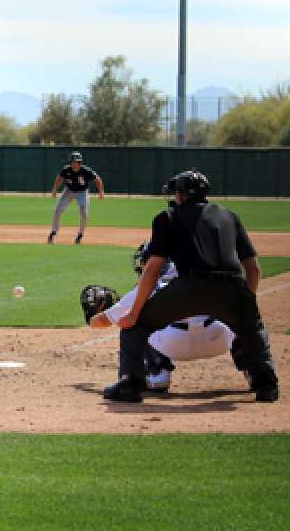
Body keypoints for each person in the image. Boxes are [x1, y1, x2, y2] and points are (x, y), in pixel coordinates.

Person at [105, 169, 279, 403]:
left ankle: (131, 383)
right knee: (252, 328)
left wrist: (134, 313)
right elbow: (253, 269)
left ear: (180, 195)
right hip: (232, 287)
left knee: (136, 326)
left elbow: (153, 268)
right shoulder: (230, 216)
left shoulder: (167, 217)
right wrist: (246, 303)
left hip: (190, 287)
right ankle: (266, 385)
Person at [88, 242, 242, 392]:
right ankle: (256, 373)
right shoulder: (203, 275)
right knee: (242, 316)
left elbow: (104, 321)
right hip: (218, 339)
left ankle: (158, 373)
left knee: (134, 320)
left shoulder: (148, 286)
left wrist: (90, 317)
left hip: (173, 344)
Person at [48, 151, 104, 244]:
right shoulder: (66, 170)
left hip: (82, 192)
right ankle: (54, 231)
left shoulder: (85, 171)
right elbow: (59, 179)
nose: (73, 164)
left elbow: (98, 179)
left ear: (79, 163)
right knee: (57, 210)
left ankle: (80, 234)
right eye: (72, 162)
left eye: (76, 162)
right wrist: (54, 190)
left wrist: (101, 192)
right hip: (68, 191)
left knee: (84, 213)